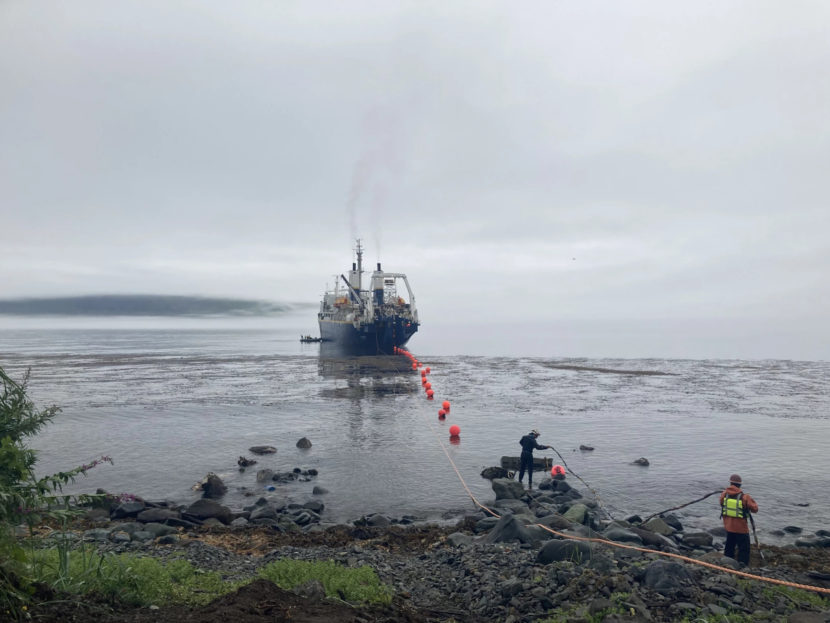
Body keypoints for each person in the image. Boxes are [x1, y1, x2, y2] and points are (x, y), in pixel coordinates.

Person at [719, 473, 759, 566]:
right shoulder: (745, 497)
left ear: (730, 483)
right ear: (740, 485)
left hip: (729, 527)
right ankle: (742, 565)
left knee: (729, 546)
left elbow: (721, 504)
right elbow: (755, 509)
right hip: (741, 528)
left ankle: (727, 564)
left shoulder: (724, 494)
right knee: (744, 548)